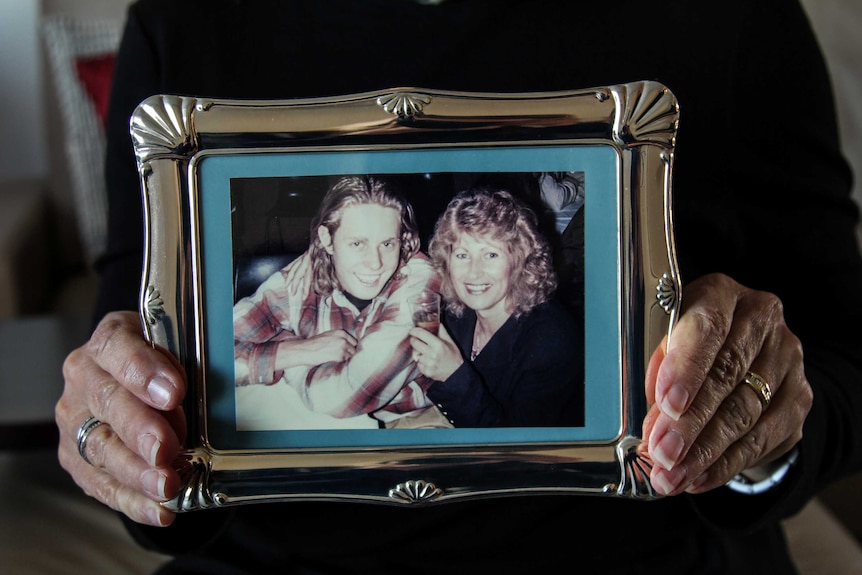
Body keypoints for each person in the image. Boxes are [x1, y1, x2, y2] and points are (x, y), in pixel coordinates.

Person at [54, 1, 862, 573]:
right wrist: (123, 435)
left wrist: (756, 431)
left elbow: (839, 351)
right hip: (276, 555)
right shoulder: (184, 21)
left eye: (489, 256)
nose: (468, 272)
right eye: (460, 255)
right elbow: (148, 352)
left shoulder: (737, 17)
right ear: (329, 241)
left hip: (646, 552)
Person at [231, 175, 448, 429]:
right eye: (358, 243)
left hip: (410, 423)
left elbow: (342, 396)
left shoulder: (419, 280)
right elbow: (212, 359)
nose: (375, 263)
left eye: (388, 244)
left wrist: (289, 352)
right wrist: (297, 351)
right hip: (314, 417)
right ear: (326, 239)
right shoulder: (302, 279)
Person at [408, 187, 583, 427]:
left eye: (490, 255)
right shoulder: (457, 312)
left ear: (520, 258)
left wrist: (453, 375)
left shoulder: (552, 341)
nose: (474, 272)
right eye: (462, 255)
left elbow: (516, 448)